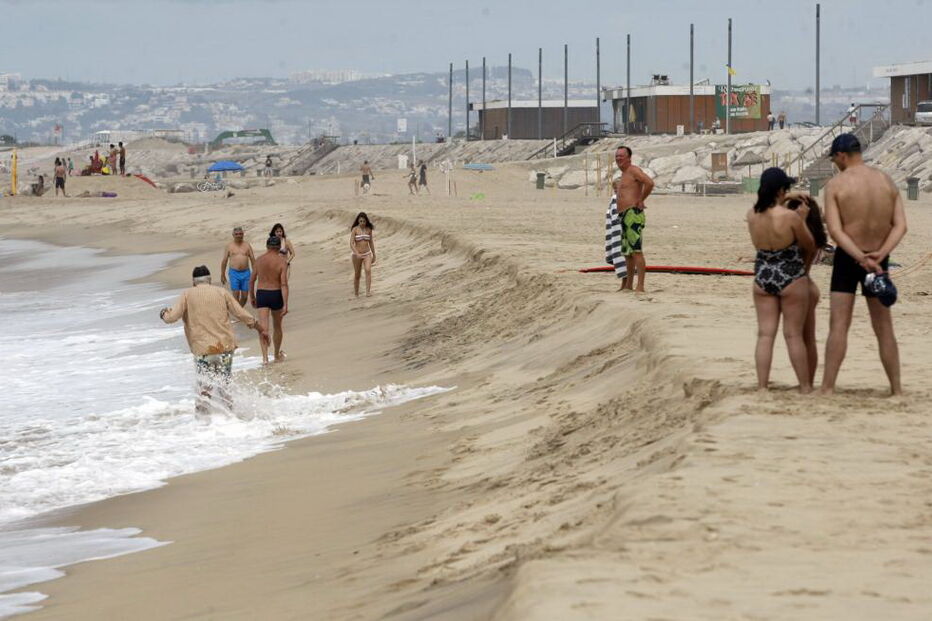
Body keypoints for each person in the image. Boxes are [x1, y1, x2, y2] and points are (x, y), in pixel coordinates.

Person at [821, 134, 908, 396]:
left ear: (841, 156)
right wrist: (880, 255)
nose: (835, 164)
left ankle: (827, 388)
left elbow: (835, 231)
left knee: (839, 325)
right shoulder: (886, 181)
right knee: (884, 327)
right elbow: (900, 226)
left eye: (834, 160)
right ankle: (896, 389)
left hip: (849, 258)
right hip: (879, 259)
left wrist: (860, 257)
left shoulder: (836, 185)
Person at [159, 265, 269, 417]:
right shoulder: (221, 292)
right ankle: (231, 417)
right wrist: (260, 328)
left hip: (203, 349)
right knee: (224, 385)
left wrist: (163, 313)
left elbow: (172, 317)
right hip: (224, 347)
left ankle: (202, 422)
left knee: (204, 388)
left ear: (193, 282)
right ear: (210, 280)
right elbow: (240, 313)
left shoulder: (187, 294)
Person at [747, 168, 817, 393]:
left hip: (763, 274)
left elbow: (768, 205)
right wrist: (802, 219)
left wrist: (786, 197)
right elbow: (809, 244)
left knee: (765, 335)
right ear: (780, 190)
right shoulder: (790, 217)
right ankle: (805, 386)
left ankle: (762, 386)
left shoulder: (752, 214)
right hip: (790, 275)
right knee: (793, 335)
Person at [787, 195, 829, 386]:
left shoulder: (794, 235)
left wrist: (786, 199)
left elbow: (766, 212)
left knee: (794, 336)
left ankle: (804, 384)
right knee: (809, 339)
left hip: (795, 286)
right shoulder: (816, 235)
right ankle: (809, 382)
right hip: (809, 284)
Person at [612, 146, 654, 293]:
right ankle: (628, 285)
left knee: (636, 250)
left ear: (629, 158)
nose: (618, 158)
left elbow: (649, 183)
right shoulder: (624, 174)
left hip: (632, 214)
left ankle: (640, 286)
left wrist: (641, 199)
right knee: (627, 252)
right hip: (623, 215)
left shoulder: (633, 170)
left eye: (621, 156)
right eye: (617, 156)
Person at [250, 236, 289, 364]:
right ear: (279, 247)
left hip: (262, 294)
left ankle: (265, 358)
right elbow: (284, 284)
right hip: (276, 293)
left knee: (263, 328)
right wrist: (285, 304)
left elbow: (252, 280)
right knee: (277, 326)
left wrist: (252, 296)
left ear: (267, 246)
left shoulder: (259, 260)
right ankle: (276, 355)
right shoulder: (282, 261)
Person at [220, 226, 256, 306]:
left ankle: (238, 310)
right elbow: (224, 261)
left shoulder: (247, 245)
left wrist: (255, 272)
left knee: (245, 297)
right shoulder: (229, 246)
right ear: (233, 235)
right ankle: (238, 311)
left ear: (243, 234)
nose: (239, 236)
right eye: (236, 234)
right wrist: (222, 274)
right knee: (236, 295)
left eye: (240, 234)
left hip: (246, 273)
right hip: (234, 273)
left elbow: (253, 259)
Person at [350, 212, 376, 297]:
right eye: (360, 221)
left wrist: (374, 254)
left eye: (364, 221)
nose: (362, 223)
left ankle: (368, 292)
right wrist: (357, 253)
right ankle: (356, 293)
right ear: (358, 221)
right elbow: (351, 243)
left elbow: (371, 242)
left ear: (366, 221)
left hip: (367, 253)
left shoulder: (369, 229)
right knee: (357, 274)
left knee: (368, 270)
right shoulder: (355, 229)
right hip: (357, 255)